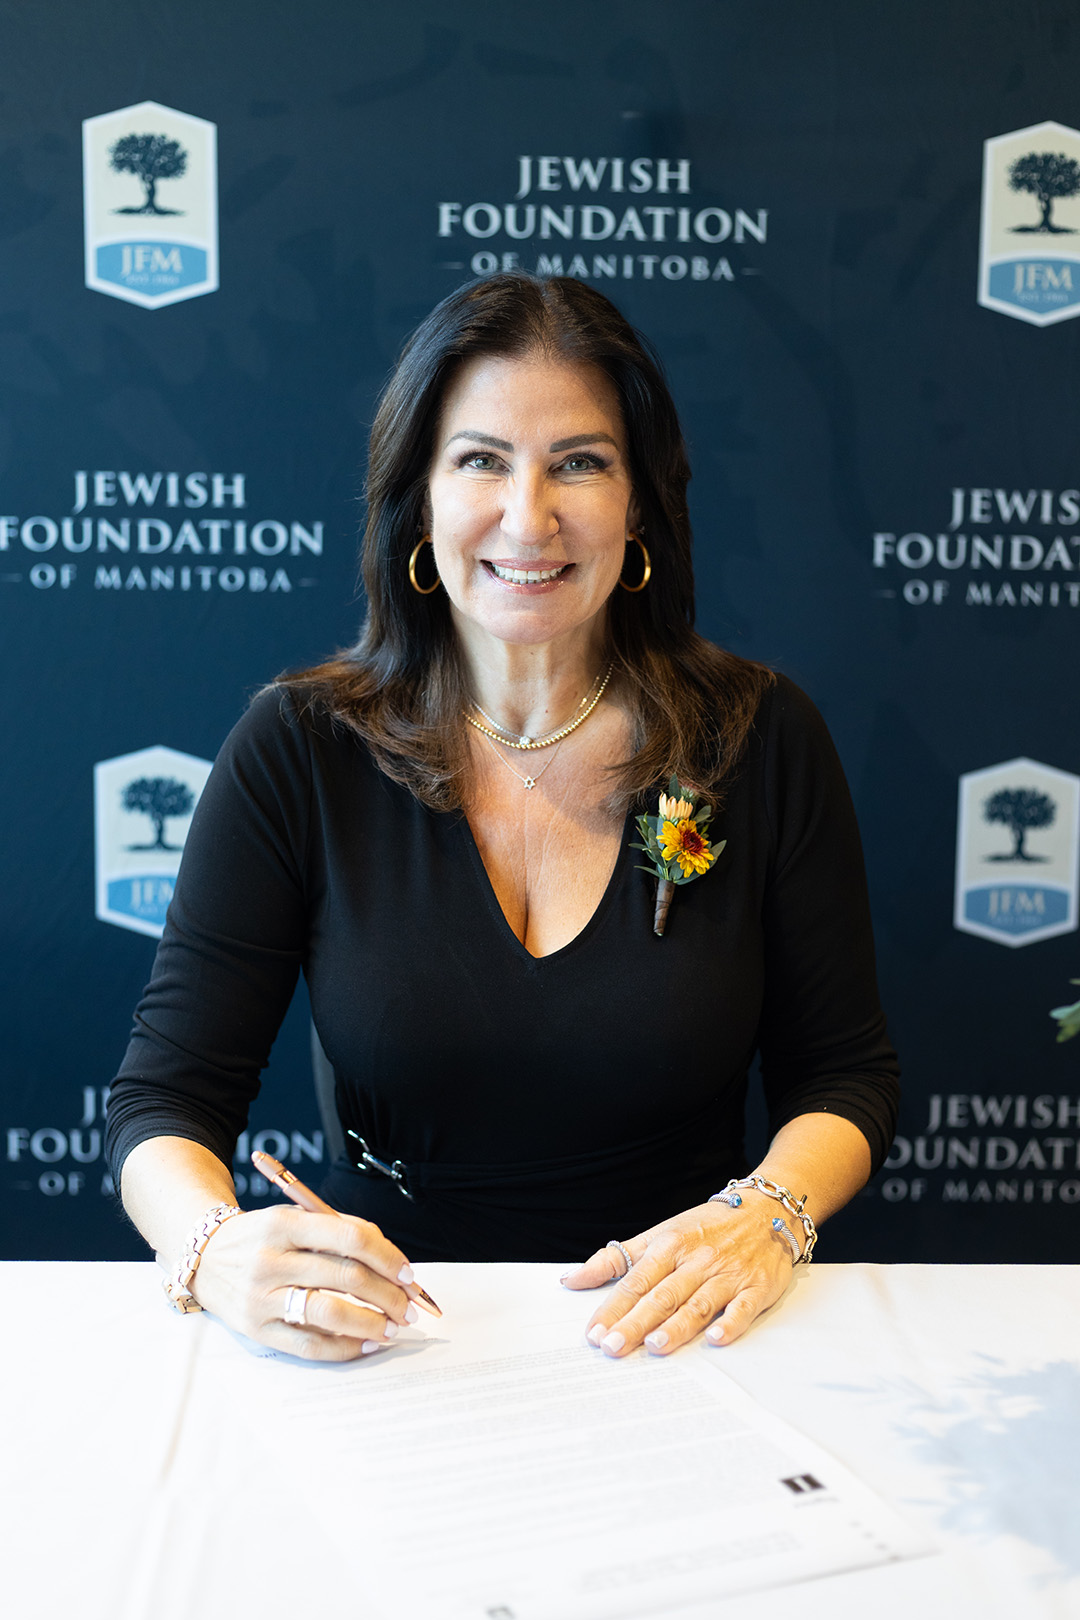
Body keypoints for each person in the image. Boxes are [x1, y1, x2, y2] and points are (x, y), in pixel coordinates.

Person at [105, 273, 899, 1363]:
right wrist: (212, 1247)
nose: (530, 517)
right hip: (382, 1340)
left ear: (640, 503)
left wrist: (765, 1218)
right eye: (481, 460)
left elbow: (847, 1076)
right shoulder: (301, 746)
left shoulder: (759, 737)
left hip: (681, 1335)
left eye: (581, 462)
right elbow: (164, 1099)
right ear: (419, 498)